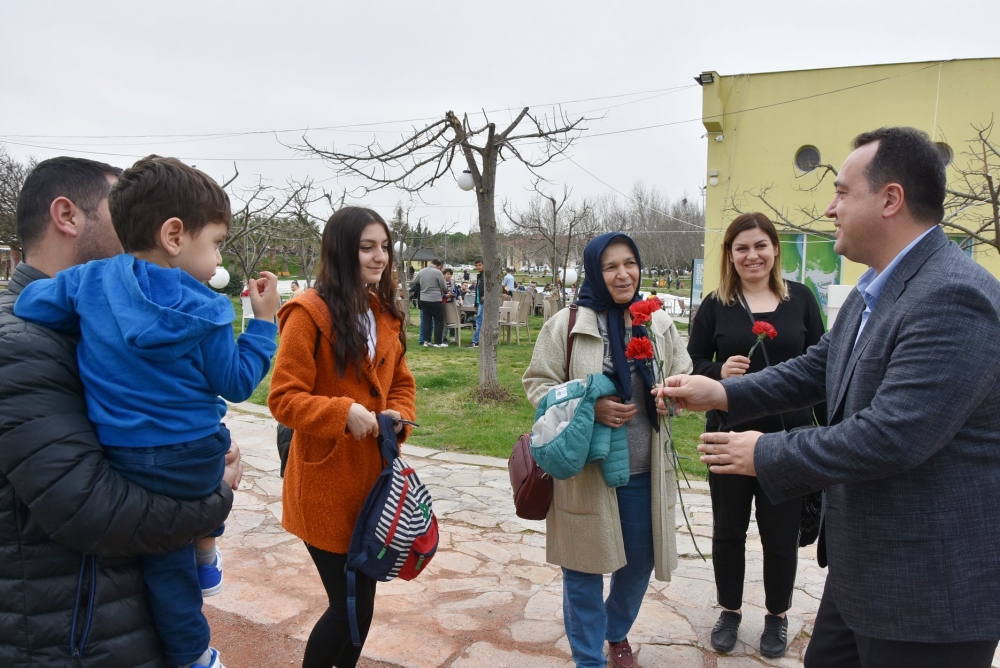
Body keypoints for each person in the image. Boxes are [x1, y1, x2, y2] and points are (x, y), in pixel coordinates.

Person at [660, 127, 1000, 668]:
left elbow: (893, 436)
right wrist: (721, 390)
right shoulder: (881, 287)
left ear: (890, 200)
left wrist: (764, 453)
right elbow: (819, 367)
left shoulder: (951, 296)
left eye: (842, 192)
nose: (828, 208)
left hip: (926, 596)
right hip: (864, 575)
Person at [14, 155, 279, 668]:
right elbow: (237, 383)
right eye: (217, 242)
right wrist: (262, 325)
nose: (218, 256)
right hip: (194, 458)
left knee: (166, 568)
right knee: (208, 481)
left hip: (126, 458)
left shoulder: (90, 281)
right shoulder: (205, 309)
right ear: (175, 235)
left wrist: (88, 318)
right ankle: (203, 580)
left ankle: (197, 630)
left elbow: (30, 306)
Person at [523, 233, 692, 668]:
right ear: (595, 272)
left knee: (639, 564)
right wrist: (588, 407)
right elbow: (537, 384)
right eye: (611, 266)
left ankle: (614, 630)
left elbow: (683, 376)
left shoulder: (656, 323)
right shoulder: (568, 324)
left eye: (630, 263)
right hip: (585, 472)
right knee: (582, 571)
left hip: (643, 470)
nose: (623, 274)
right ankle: (588, 659)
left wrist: (670, 395)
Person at [268, 206, 417, 668]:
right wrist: (342, 412)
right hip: (325, 484)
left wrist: (399, 415)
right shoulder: (308, 314)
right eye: (366, 247)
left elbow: (402, 385)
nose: (379, 258)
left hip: (374, 484)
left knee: (362, 604)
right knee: (347, 604)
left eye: (384, 247)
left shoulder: (385, 312)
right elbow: (283, 397)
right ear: (340, 251)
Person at [687, 212, 826, 658]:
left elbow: (823, 369)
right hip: (728, 437)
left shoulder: (801, 300)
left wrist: (834, 430)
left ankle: (777, 616)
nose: (752, 255)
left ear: (775, 249)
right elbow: (694, 364)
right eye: (742, 247)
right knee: (728, 530)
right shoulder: (715, 305)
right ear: (730, 255)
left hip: (787, 441)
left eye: (760, 245)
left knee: (780, 534)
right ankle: (729, 611)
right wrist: (718, 371)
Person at [415, 258, 447, 347]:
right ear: (439, 266)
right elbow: (444, 287)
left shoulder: (422, 271)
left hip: (423, 299)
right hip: (435, 299)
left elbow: (415, 281)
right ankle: (438, 342)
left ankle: (426, 341)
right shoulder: (438, 272)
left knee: (426, 320)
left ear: (430, 263)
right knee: (438, 320)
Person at [468, 258, 485, 348]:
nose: (478, 267)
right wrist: (475, 303)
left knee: (479, 321)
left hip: (484, 302)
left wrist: (486, 296)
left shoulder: (486, 276)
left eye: (480, 265)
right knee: (479, 321)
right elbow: (477, 291)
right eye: (477, 265)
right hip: (479, 302)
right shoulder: (479, 276)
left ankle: (475, 341)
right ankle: (478, 340)